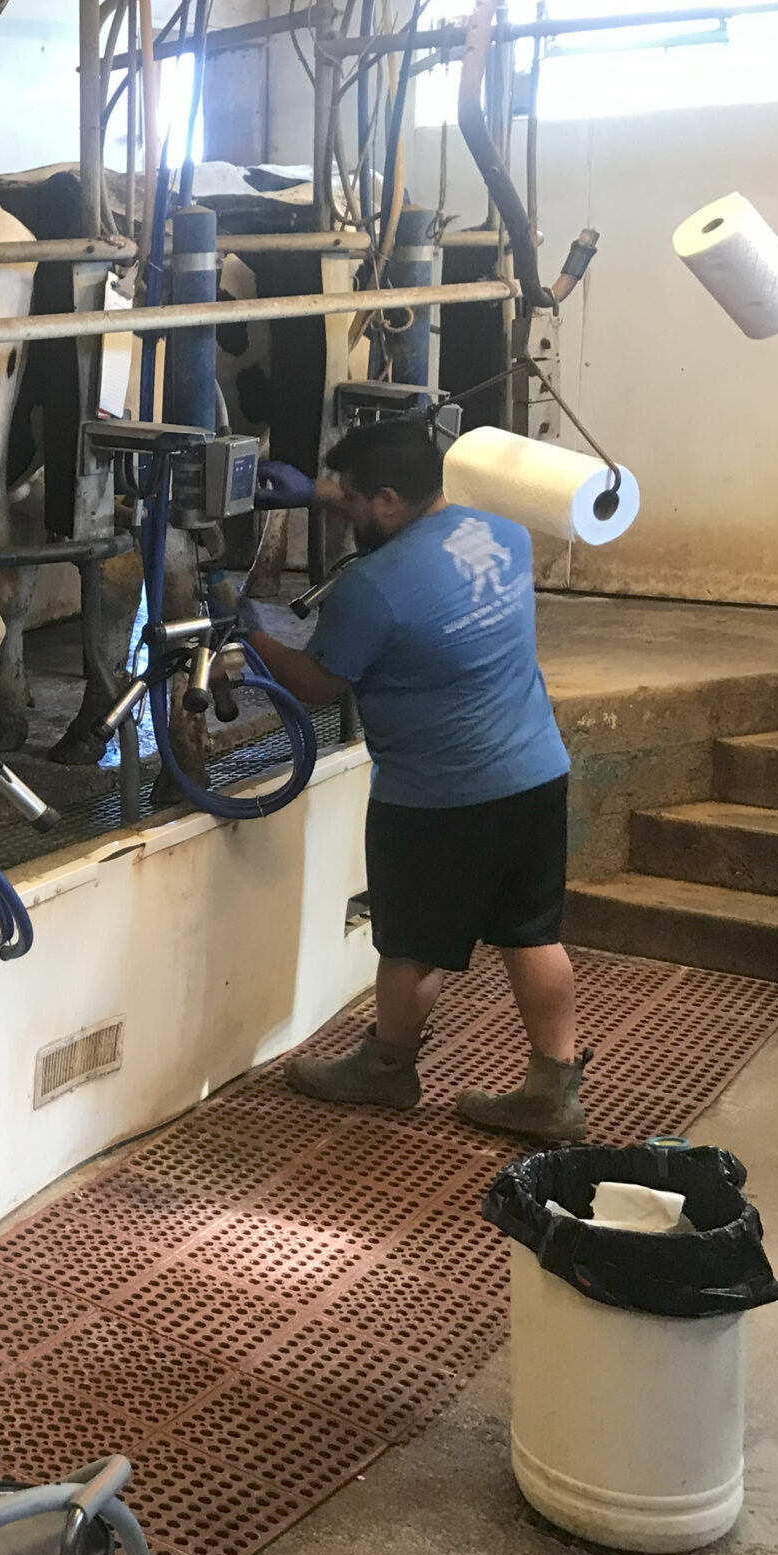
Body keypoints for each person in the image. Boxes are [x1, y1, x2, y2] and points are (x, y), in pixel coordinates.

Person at [240, 415, 590, 1141]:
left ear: (390, 499)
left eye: (351, 505)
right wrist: (317, 492)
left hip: (439, 797)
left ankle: (386, 1069)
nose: (344, 519)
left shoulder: (374, 588)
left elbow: (315, 682)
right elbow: (410, 550)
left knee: (410, 944)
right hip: (535, 769)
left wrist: (247, 632)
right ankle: (554, 1090)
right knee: (531, 934)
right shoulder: (504, 534)